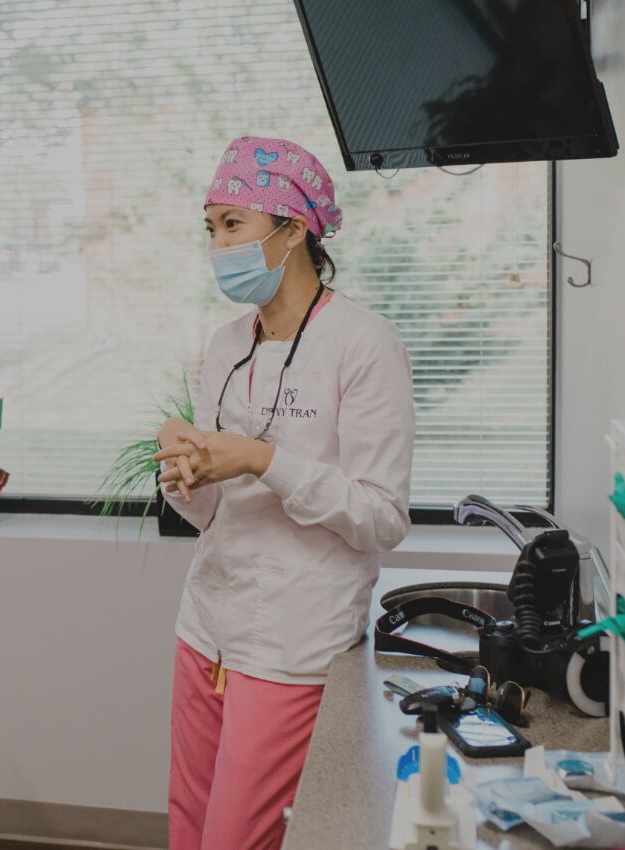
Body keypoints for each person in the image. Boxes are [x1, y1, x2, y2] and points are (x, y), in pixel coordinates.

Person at [153, 136, 416, 850]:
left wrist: (263, 460)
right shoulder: (225, 343)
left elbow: (381, 516)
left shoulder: (365, 344)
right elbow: (208, 511)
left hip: (291, 643)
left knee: (237, 840)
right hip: (204, 626)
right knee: (190, 829)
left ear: (294, 228)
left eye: (233, 224)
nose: (217, 245)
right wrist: (181, 468)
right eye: (210, 228)